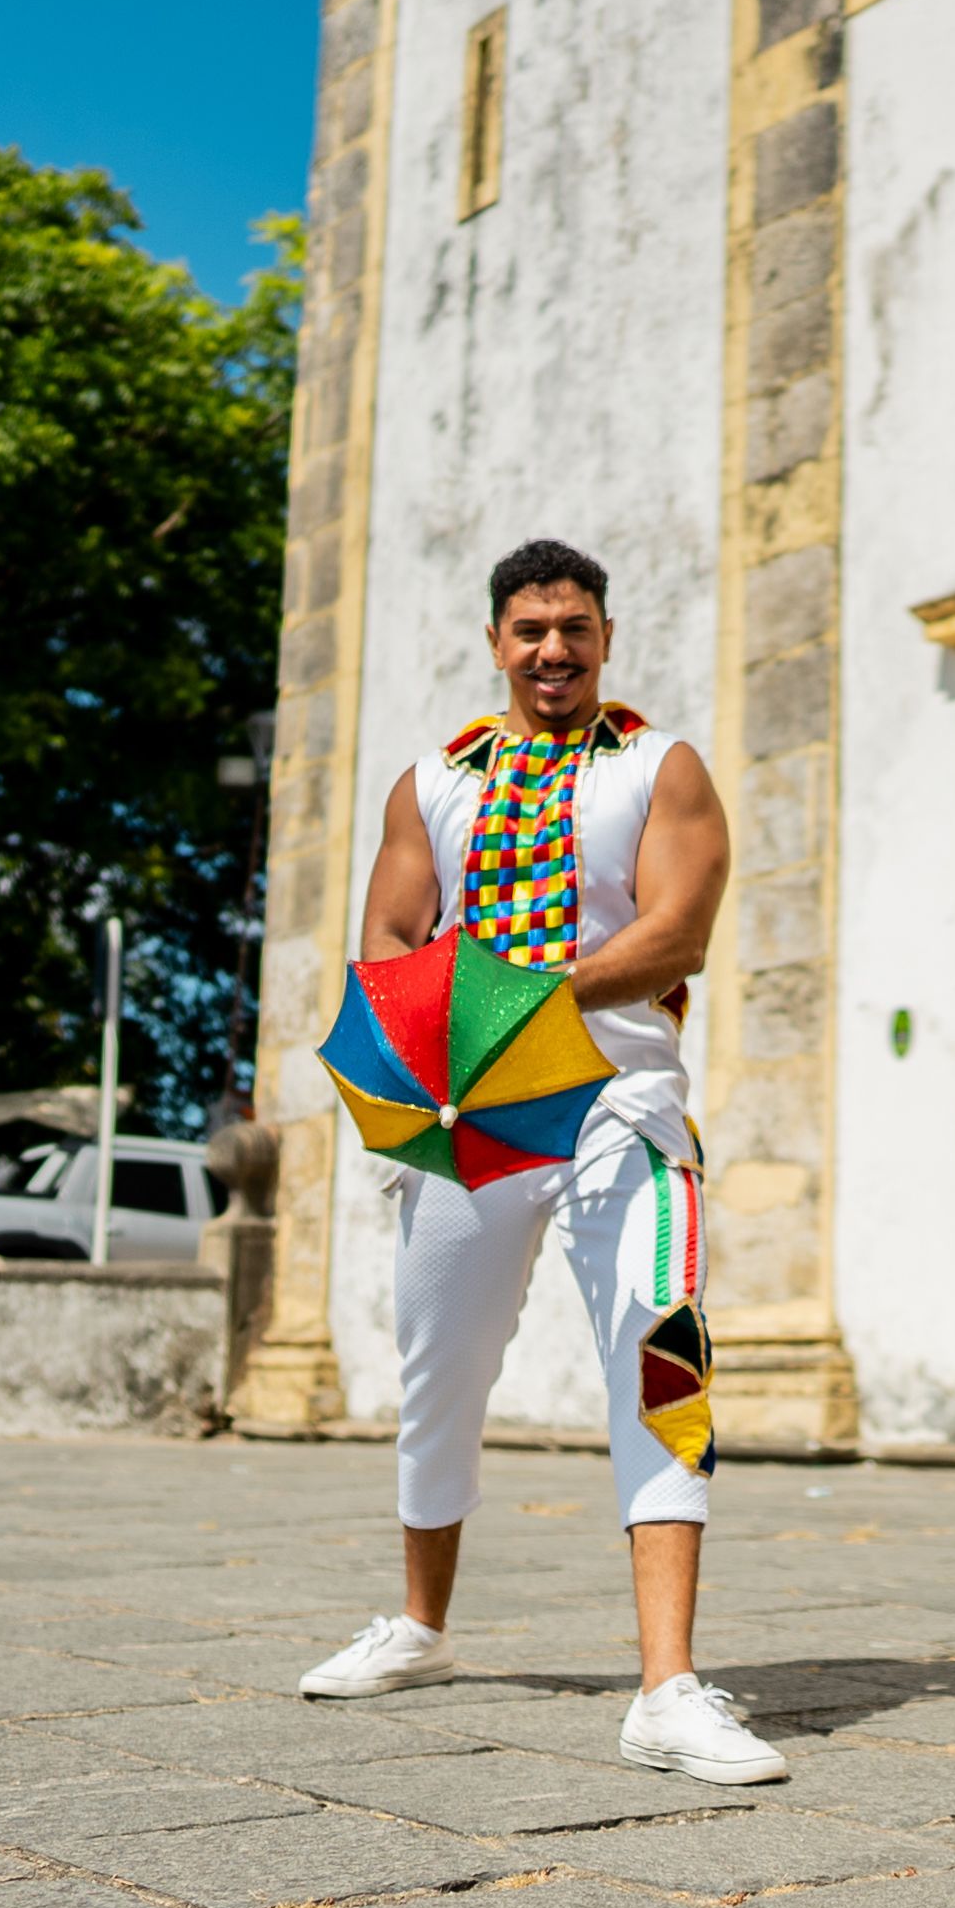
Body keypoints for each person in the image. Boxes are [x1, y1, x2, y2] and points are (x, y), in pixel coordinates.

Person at [296, 537, 787, 1788]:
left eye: (574, 629)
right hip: (466, 1110)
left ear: (606, 638)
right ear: (496, 643)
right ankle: (420, 1627)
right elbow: (388, 939)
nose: (553, 650)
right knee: (439, 1369)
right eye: (530, 631)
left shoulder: (657, 767)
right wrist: (440, 1038)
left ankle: (666, 1688)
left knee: (661, 1343)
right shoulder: (432, 784)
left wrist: (524, 1003)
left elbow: (675, 933)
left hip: (621, 1097)